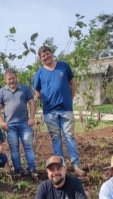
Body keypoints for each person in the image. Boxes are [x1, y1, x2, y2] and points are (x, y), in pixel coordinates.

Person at [33, 45, 85, 177]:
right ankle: (61, 166)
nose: (46, 57)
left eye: (47, 53)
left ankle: (76, 166)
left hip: (66, 109)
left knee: (69, 137)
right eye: (43, 56)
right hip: (50, 111)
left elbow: (73, 83)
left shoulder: (63, 66)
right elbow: (37, 92)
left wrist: (70, 99)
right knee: (56, 138)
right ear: (40, 59)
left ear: (52, 53)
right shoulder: (39, 73)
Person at [0, 68, 38, 179]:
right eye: (9, 79)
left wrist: (32, 118)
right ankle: (18, 170)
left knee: (28, 146)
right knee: (14, 148)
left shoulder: (24, 89)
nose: (11, 81)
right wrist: (1, 122)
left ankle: (32, 169)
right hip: (10, 126)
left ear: (16, 78)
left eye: (13, 78)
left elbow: (32, 103)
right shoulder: (1, 92)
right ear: (5, 80)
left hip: (25, 123)